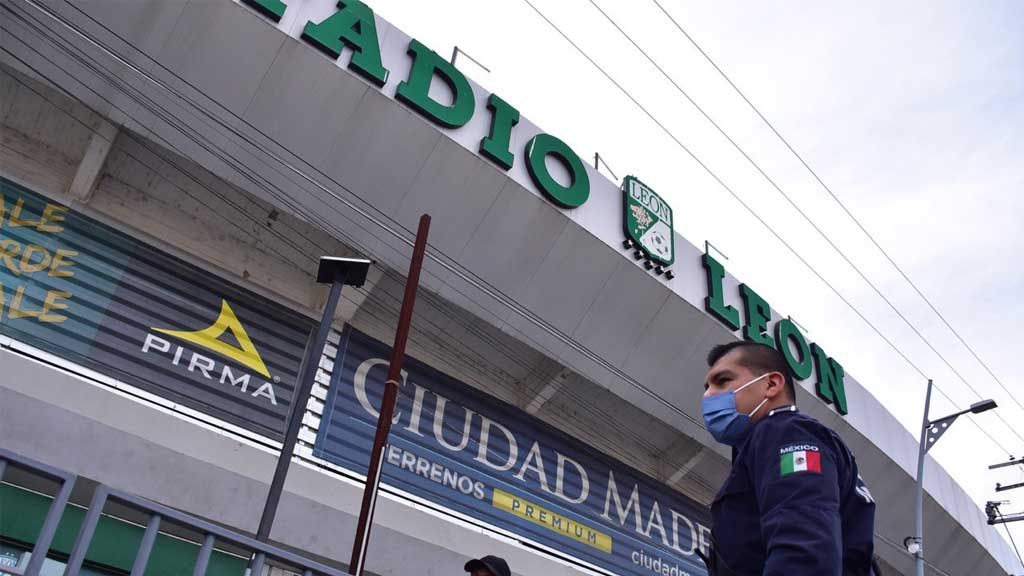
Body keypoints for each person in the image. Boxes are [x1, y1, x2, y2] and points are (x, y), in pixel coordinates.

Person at [699, 341, 876, 576]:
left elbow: (805, 550)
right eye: (707, 386)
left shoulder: (786, 432)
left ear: (772, 384)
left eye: (722, 381)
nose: (708, 394)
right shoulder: (768, 443)